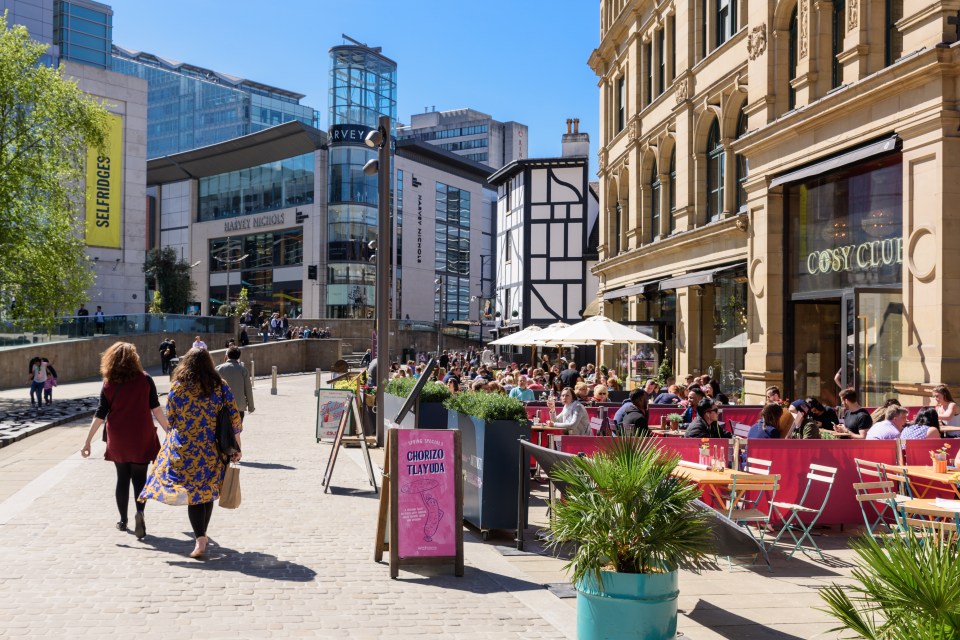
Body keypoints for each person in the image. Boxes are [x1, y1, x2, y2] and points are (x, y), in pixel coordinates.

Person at [139, 348, 242, 559]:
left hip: (185, 450)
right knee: (207, 492)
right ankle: (202, 535)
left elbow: (172, 419)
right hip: (213, 449)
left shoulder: (177, 387)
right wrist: (237, 448)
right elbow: (234, 421)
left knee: (193, 494)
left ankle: (200, 537)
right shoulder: (220, 387)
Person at [80, 343, 168, 540]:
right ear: (134, 358)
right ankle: (140, 512)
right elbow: (156, 409)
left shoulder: (109, 382)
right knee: (140, 478)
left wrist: (87, 441)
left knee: (122, 478)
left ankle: (123, 520)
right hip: (142, 435)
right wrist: (170, 433)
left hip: (119, 437)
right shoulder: (145, 379)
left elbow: (100, 414)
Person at [216, 347, 254, 422]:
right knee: (236, 432)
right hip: (239, 407)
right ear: (238, 357)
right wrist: (251, 407)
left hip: (222, 406)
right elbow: (248, 390)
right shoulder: (243, 370)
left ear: (227, 355)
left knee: (222, 432)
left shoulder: (218, 369)